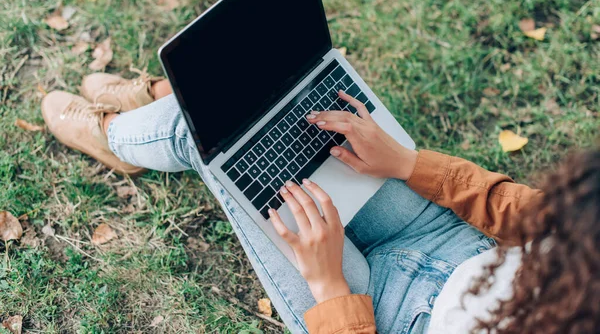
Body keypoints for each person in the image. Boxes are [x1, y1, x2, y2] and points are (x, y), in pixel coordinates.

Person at [41, 71, 600, 333]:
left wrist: (329, 286)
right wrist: (407, 164)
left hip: (380, 317)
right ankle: (171, 103)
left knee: (220, 146)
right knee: (294, 103)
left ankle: (119, 134)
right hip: (451, 239)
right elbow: (529, 212)